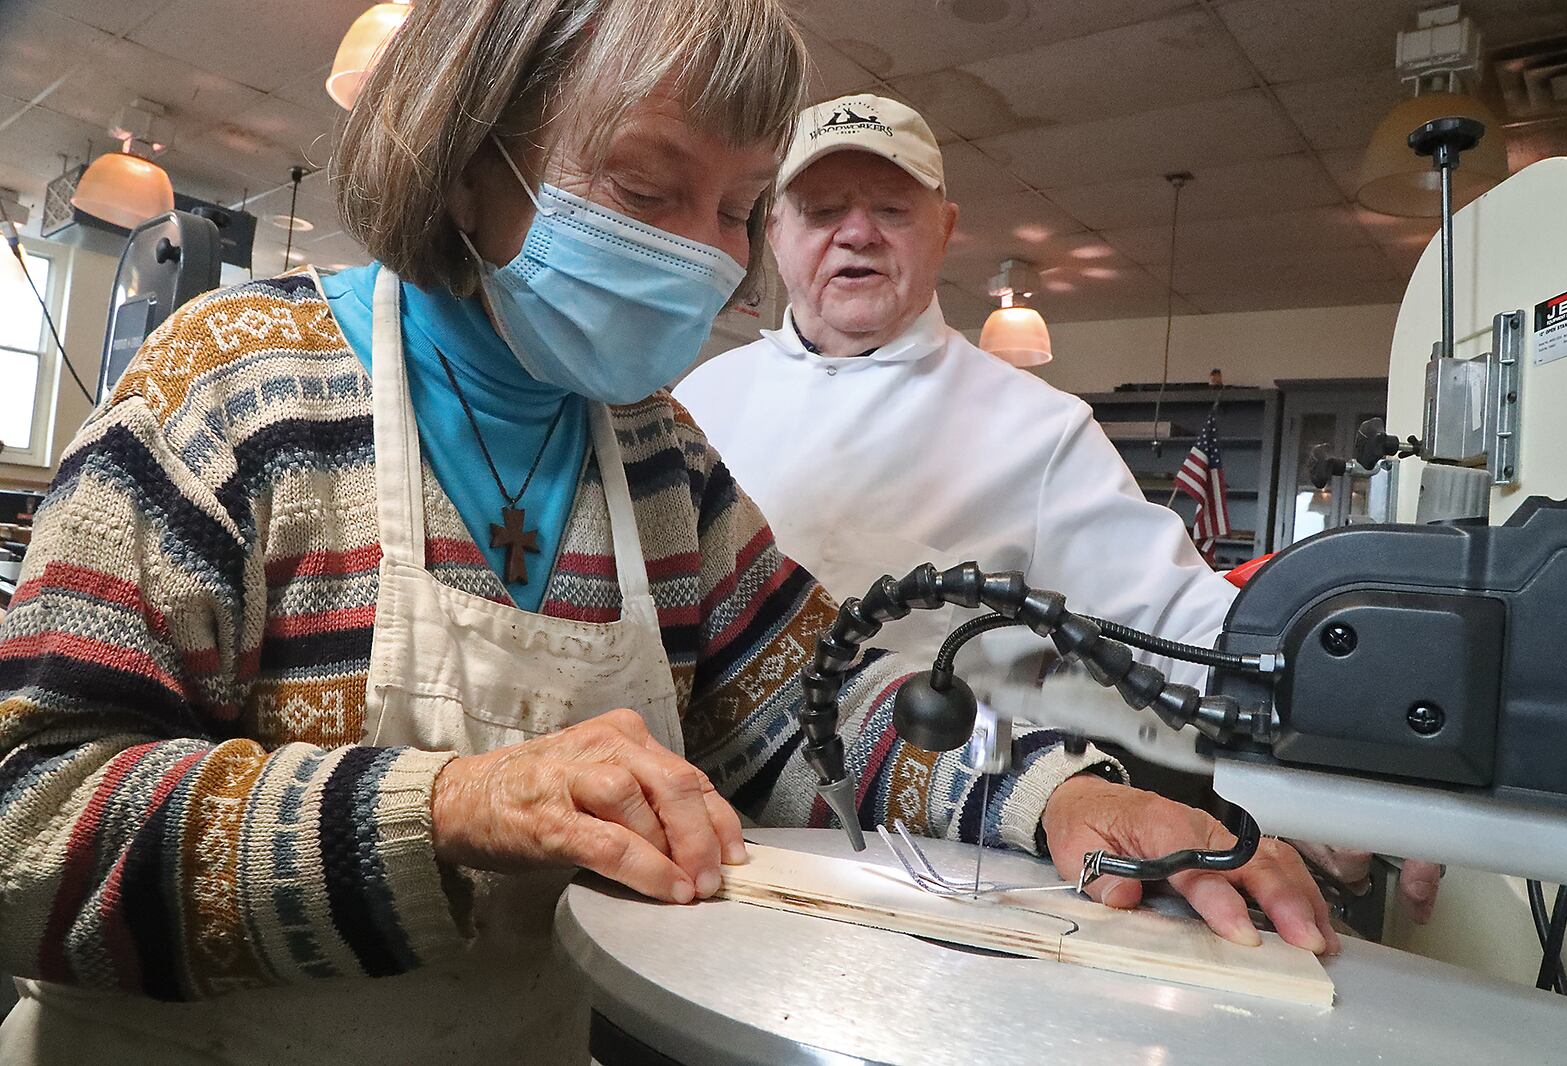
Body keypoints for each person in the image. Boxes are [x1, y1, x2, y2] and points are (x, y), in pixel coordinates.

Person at [0, 7, 1338, 1060]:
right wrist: (450, 806)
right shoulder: (235, 391)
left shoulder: (656, 456)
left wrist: (1066, 797)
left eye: (741, 207)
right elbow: (25, 827)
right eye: (649, 191)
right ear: (473, 160)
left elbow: (818, 718)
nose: (709, 257)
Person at [675, 93, 1442, 925]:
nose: (856, 232)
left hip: (937, 842)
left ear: (945, 227)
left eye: (890, 209)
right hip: (712, 835)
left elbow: (1183, 619)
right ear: (774, 231)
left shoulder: (1032, 425)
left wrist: (1358, 731)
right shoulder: (700, 397)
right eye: (822, 210)